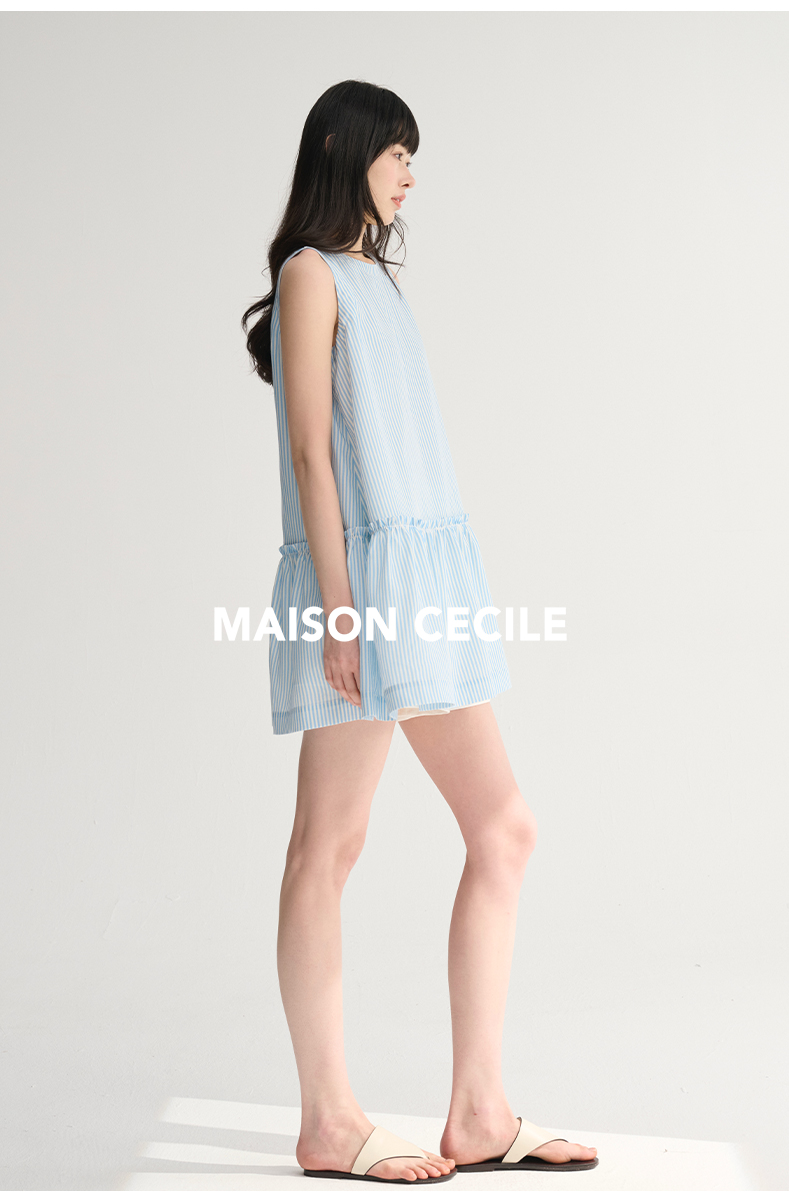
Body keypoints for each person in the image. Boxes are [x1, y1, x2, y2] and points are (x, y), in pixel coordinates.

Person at [242, 79, 598, 1184]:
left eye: (411, 157)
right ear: (343, 151)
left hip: (423, 585)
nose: (408, 175)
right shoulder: (309, 274)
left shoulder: (376, 282)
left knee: (503, 829)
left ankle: (479, 1109)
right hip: (362, 589)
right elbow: (311, 453)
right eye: (395, 153)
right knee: (327, 846)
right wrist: (341, 608)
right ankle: (328, 1120)